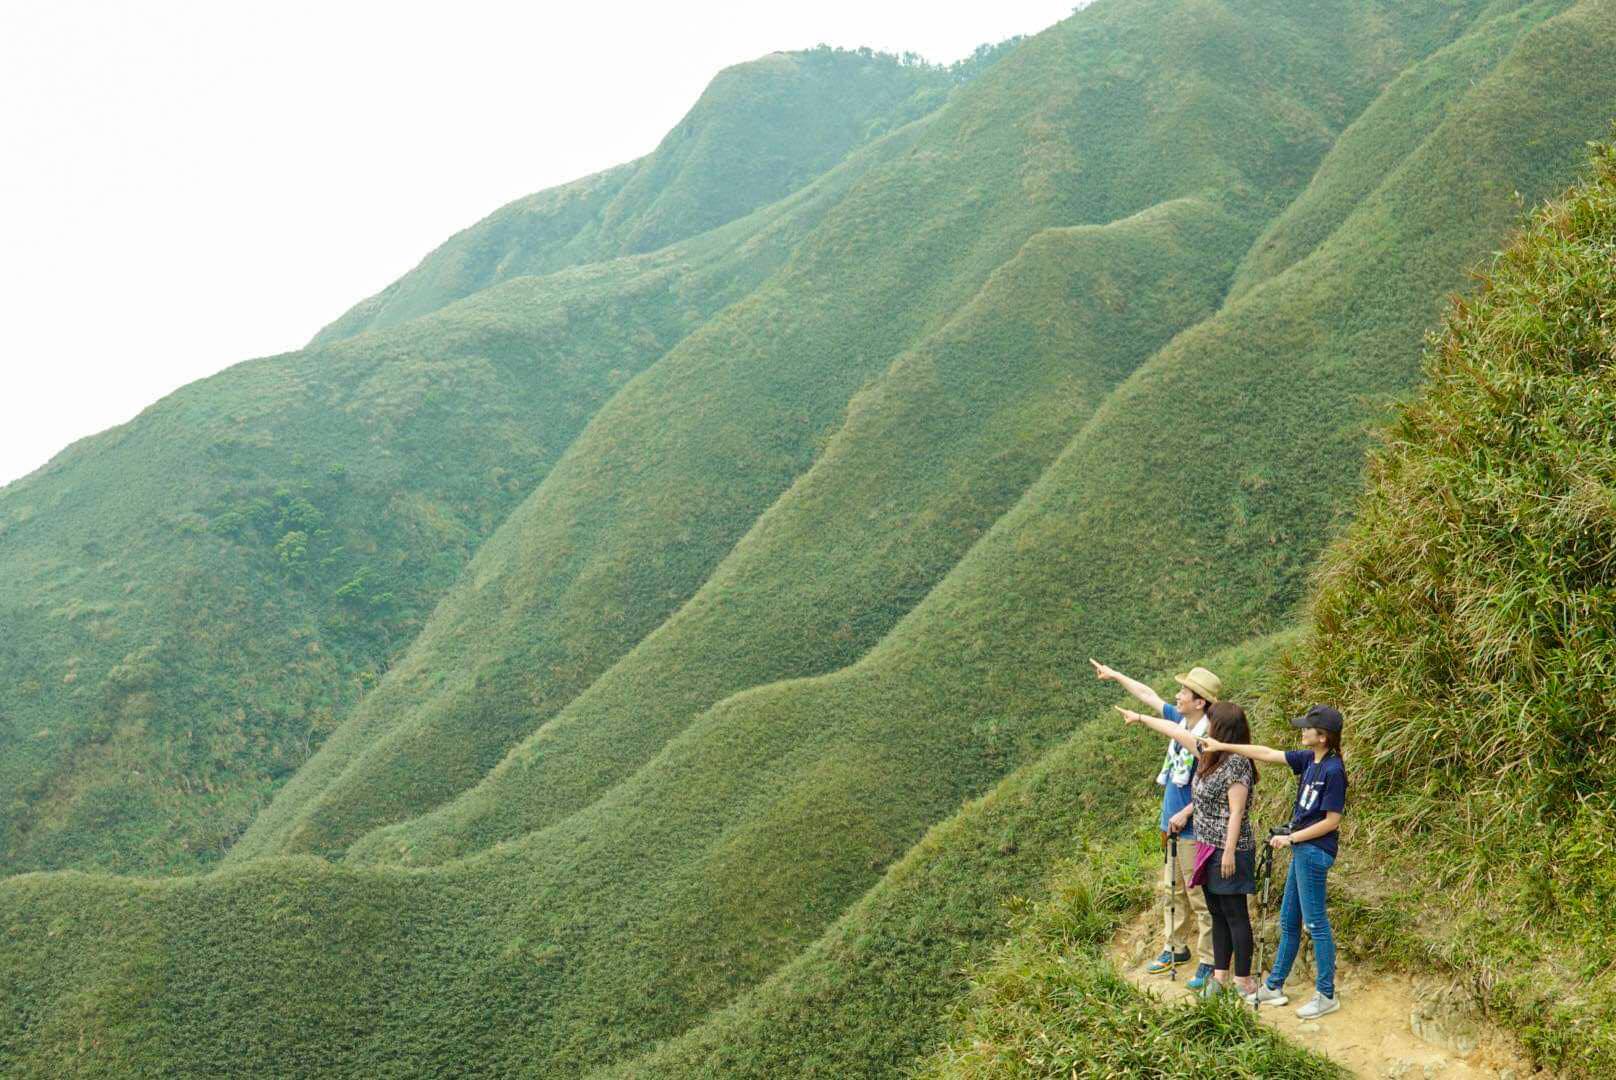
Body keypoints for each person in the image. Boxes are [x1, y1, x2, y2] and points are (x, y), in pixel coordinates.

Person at [1201, 704, 1348, 1019]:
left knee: (1316, 923)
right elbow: (1266, 753)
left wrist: (1292, 838)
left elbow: (1332, 821)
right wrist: (1224, 745)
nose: (1302, 731)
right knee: (1289, 921)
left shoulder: (1334, 770)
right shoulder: (1310, 759)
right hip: (1303, 850)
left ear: (1323, 736)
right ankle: (1275, 985)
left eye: (1308, 728)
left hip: (1314, 851)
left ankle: (1326, 994)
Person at [1091, 659, 1221, 988]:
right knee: (1172, 890)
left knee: (1198, 896)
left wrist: (1187, 812)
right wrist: (1116, 675)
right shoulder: (1182, 719)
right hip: (1171, 824)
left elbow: (1214, 785)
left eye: (1184, 692)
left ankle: (1209, 958)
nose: (1177, 696)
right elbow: (1148, 695)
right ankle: (1175, 947)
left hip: (1193, 828)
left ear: (1200, 702)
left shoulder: (1210, 737)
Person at [1117, 701, 1259, 999]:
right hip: (1206, 847)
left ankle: (1243, 981)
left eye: (1211, 722)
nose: (1207, 726)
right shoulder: (1209, 754)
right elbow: (1174, 730)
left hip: (1228, 849)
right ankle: (1219, 977)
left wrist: (1229, 851)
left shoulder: (1237, 763)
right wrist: (1140, 718)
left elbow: (1236, 812)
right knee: (1217, 912)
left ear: (1222, 728)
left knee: (1235, 914)